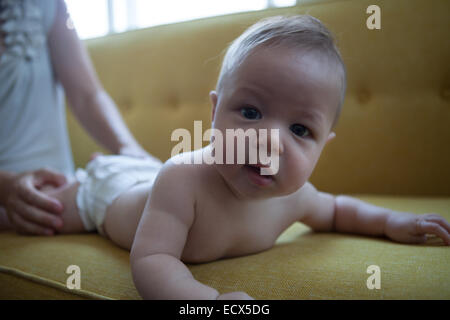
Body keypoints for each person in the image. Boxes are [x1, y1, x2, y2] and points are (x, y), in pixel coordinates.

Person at [2, 15, 449, 300]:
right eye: (250, 112)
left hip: (144, 172)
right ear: (214, 112)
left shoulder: (295, 198)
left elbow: (338, 211)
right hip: (110, 193)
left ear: (321, 147)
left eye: (300, 130)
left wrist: (391, 223)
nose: (270, 142)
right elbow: (152, 260)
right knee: (39, 213)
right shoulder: (182, 180)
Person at [0, 0, 154, 236]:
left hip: (62, 187)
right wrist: (6, 187)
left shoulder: (48, 5)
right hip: (32, 203)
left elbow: (88, 95)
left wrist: (131, 151)